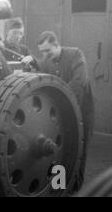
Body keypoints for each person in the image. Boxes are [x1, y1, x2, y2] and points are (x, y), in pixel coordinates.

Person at [22, 31, 95, 192]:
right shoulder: (47, 60)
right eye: (42, 52)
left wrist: (61, 102)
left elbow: (79, 81)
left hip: (82, 111)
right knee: (60, 152)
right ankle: (59, 186)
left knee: (79, 151)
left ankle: (75, 189)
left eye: (48, 51)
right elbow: (41, 66)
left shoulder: (75, 54)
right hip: (62, 114)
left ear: (57, 45)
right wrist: (33, 60)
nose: (45, 55)